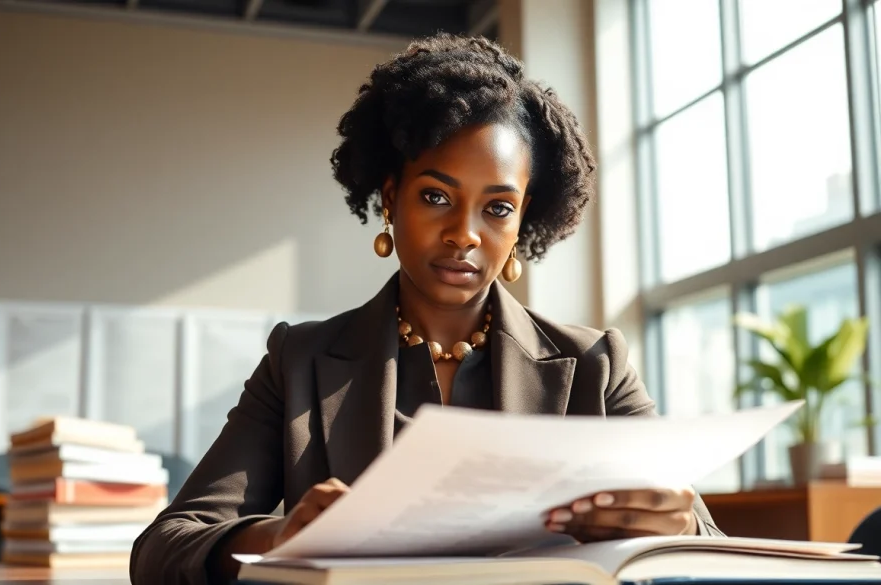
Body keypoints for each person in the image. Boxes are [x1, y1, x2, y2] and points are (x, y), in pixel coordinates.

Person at [129, 32, 724, 585]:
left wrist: (676, 527)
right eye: (436, 196)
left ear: (522, 222)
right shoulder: (299, 362)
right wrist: (281, 537)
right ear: (390, 199)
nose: (465, 233)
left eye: (497, 208)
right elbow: (163, 548)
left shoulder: (595, 365)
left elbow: (708, 540)